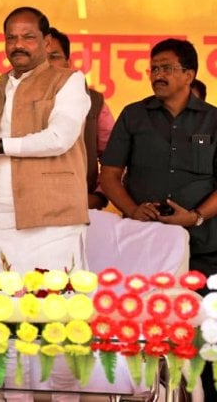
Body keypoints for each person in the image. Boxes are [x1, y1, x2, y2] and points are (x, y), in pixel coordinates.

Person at [0, 7, 90, 401]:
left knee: (58, 328)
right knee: (0, 330)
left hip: (51, 223)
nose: (19, 45)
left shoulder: (69, 82)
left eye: (28, 37)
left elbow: (59, 138)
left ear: (46, 41)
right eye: (11, 38)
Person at [100, 38, 217, 400]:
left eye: (166, 68)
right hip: (146, 251)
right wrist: (133, 210)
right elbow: (109, 174)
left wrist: (195, 217)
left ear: (189, 74)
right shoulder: (134, 115)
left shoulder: (214, 118)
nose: (158, 75)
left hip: (205, 247)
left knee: (206, 338)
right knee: (148, 335)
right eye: (154, 69)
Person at [47, 27, 115, 209]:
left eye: (54, 56)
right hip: (28, 211)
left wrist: (98, 196)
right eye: (40, 58)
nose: (46, 64)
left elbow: (115, 159)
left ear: (67, 63)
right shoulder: (11, 102)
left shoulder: (93, 103)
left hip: (80, 210)